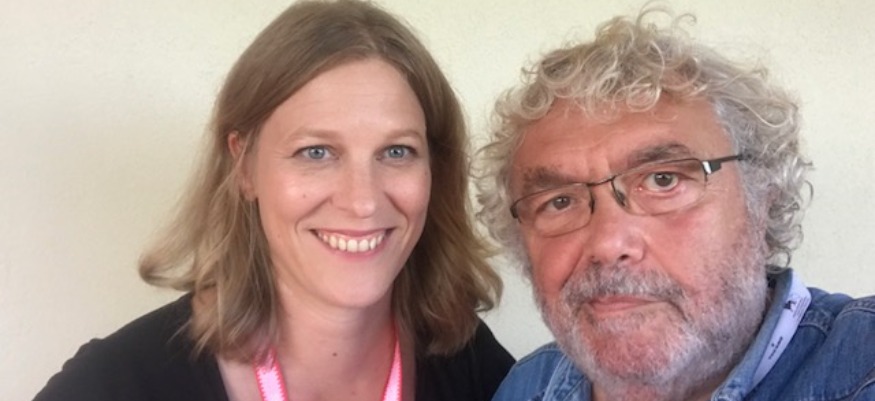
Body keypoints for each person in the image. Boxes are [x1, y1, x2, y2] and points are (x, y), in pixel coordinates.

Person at [34, 1, 514, 400]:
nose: (363, 201)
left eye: (397, 151)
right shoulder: (111, 385)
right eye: (316, 152)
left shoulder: (475, 369)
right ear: (244, 167)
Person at [476, 7, 875, 401]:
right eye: (560, 201)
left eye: (663, 180)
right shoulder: (527, 386)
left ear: (763, 203)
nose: (608, 243)